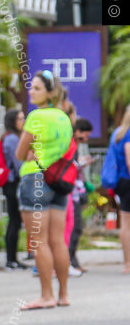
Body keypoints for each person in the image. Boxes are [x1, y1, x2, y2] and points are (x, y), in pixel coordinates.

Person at [15, 70, 73, 310]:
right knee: (58, 240)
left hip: (35, 179)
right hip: (59, 180)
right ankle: (63, 295)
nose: (32, 91)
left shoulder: (36, 117)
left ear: (50, 92)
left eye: (37, 88)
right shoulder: (63, 117)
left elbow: (19, 154)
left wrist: (30, 152)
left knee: (38, 240)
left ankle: (46, 295)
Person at [1, 109, 28, 270]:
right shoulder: (11, 139)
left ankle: (13, 259)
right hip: (13, 183)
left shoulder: (13, 138)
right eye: (19, 119)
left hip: (13, 182)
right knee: (14, 221)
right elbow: (18, 163)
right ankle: (11, 259)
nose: (23, 121)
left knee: (15, 221)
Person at [68, 117, 94, 275]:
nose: (87, 139)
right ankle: (70, 261)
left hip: (74, 191)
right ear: (78, 131)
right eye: (86, 135)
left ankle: (73, 261)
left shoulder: (75, 145)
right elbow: (69, 166)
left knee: (76, 227)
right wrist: (80, 164)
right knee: (75, 227)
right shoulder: (71, 145)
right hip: (70, 191)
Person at [108, 105, 130, 273]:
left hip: (120, 181)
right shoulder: (128, 134)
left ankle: (126, 262)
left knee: (125, 223)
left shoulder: (117, 134)